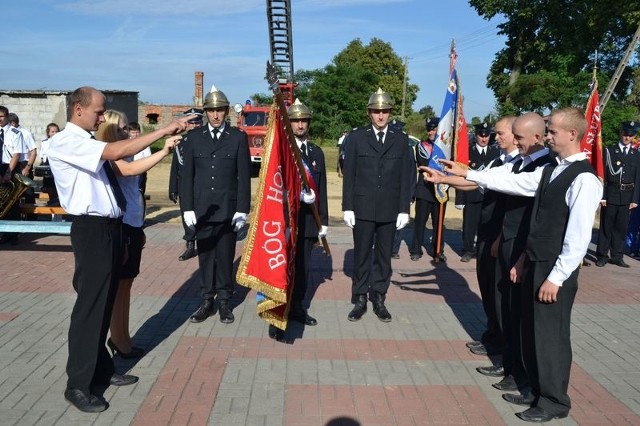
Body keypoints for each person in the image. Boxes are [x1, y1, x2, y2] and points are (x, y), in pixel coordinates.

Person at [424, 107, 602, 422]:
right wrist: (467, 173)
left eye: (553, 132)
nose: (548, 137)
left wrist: (557, 278)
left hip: (553, 268)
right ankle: (535, 391)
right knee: (533, 332)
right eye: (547, 131)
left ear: (572, 135)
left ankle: (555, 401)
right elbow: (516, 184)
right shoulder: (552, 171)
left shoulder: (585, 178)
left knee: (551, 336)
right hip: (536, 262)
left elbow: (577, 238)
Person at [47, 86, 189, 413]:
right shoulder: (67, 141)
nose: (101, 116)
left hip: (110, 229)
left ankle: (102, 371)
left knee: (104, 302)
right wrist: (164, 130)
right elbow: (115, 153)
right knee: (90, 310)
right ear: (78, 109)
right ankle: (78, 385)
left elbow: (119, 165)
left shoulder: (88, 141)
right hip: (91, 230)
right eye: (98, 110)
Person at [96, 110, 181, 360]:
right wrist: (163, 150)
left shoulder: (124, 151)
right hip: (119, 225)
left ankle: (122, 336)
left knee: (126, 285)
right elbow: (129, 171)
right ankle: (118, 339)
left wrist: (140, 228)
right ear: (110, 130)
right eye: (122, 129)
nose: (128, 133)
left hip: (132, 224)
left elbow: (135, 193)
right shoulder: (109, 153)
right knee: (118, 287)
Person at [181, 85, 251, 324]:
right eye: (211, 111)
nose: (215, 115)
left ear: (226, 111)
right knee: (206, 257)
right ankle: (206, 300)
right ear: (205, 112)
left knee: (225, 255)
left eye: (220, 110)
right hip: (202, 209)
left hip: (228, 209)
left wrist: (243, 209)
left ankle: (224, 301)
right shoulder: (193, 138)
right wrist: (187, 208)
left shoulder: (238, 138)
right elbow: (186, 177)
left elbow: (243, 176)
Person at [342, 88, 413, 322]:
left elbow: (407, 177)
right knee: (361, 255)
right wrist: (347, 206)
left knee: (384, 256)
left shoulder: (401, 141)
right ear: (369, 113)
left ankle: (379, 298)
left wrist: (405, 208)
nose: (381, 116)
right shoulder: (356, 138)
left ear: (390, 113)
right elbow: (349, 174)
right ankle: (360, 297)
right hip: (362, 208)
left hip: (389, 210)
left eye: (385, 112)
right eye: (376, 112)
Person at [269, 99, 328, 341]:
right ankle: (277, 315)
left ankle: (297, 308)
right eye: (295, 121)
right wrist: (294, 195)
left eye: (304, 120)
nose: (300, 124)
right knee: (282, 268)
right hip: (285, 221)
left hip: (307, 222)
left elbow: (321, 190)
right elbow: (273, 187)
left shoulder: (316, 153)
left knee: (303, 268)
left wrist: (322, 222)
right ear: (288, 124)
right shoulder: (281, 152)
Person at [595, 120, 640, 268]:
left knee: (621, 228)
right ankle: (602, 255)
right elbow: (603, 176)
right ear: (621, 133)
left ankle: (617, 256)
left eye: (631, 135)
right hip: (611, 193)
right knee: (606, 226)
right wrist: (602, 196)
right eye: (625, 134)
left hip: (627, 195)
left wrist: (635, 199)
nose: (627, 138)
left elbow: (637, 178)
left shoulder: (636, 154)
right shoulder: (609, 151)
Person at [457, 122, 500, 262]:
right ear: (476, 136)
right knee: (469, 225)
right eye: (481, 136)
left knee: (487, 224)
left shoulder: (495, 152)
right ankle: (468, 250)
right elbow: (462, 175)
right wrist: (460, 198)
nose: (484, 139)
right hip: (471, 194)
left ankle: (483, 249)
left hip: (489, 195)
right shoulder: (468, 151)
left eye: (487, 135)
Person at [410, 117, 447, 262]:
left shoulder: (446, 147)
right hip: (425, 190)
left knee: (439, 223)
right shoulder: (422, 146)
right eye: (429, 129)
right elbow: (424, 164)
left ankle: (438, 249)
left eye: (434, 129)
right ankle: (416, 249)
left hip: (441, 190)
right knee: (420, 222)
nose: (431, 132)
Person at [169, 107, 204, 261]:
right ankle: (190, 245)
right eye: (192, 123)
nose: (194, 125)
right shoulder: (180, 143)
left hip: (202, 187)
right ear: (187, 124)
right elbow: (175, 167)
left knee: (203, 215)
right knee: (186, 216)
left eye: (197, 122)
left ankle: (205, 245)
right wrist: (173, 188)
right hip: (185, 186)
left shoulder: (207, 141)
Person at [0, 106, 26, 245]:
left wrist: (8, 173)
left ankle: (13, 234)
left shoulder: (15, 133)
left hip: (11, 166)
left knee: (12, 203)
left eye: (1, 116)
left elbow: (17, 154)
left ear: (7, 117)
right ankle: (3, 233)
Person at [7, 113, 37, 179]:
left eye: (7, 124)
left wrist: (27, 168)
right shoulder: (8, 134)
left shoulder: (26, 133)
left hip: (23, 165)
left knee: (25, 189)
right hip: (12, 164)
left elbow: (33, 152)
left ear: (13, 123)